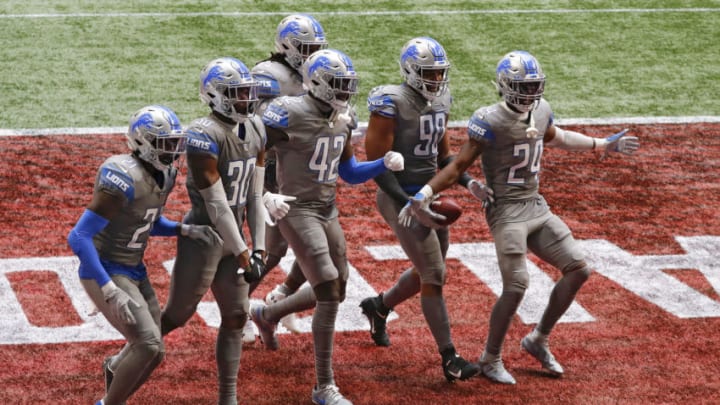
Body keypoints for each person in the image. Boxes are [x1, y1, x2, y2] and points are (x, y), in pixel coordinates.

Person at [408, 50, 640, 384]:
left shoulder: (541, 110)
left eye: (533, 86)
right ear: (504, 86)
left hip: (535, 205)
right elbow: (458, 165)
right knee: (517, 285)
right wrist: (426, 192)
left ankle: (538, 338)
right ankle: (490, 357)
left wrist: (601, 145)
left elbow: (555, 136)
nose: (529, 94)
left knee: (578, 270)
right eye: (522, 86)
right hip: (506, 211)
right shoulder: (488, 119)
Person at [252, 48, 404, 405]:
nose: (344, 92)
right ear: (317, 83)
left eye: (347, 84)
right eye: (338, 84)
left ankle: (266, 313)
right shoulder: (287, 111)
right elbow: (250, 151)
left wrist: (382, 163)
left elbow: (348, 173)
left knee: (338, 288)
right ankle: (323, 387)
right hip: (294, 207)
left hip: (327, 207)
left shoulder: (342, 117)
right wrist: (263, 195)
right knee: (326, 290)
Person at [67, 105, 220, 405]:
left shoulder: (165, 173)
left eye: (176, 143)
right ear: (142, 143)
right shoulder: (121, 177)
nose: (173, 151)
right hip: (106, 269)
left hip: (133, 268)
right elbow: (79, 236)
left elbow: (146, 221)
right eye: (165, 144)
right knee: (148, 344)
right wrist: (108, 290)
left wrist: (183, 230)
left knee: (156, 350)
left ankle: (114, 369)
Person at [358, 36, 481, 383]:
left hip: (430, 193)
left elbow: (443, 157)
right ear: (410, 72)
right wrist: (408, 202)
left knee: (431, 268)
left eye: (440, 73)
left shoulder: (440, 99)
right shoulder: (390, 103)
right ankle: (449, 357)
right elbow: (376, 165)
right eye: (429, 73)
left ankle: (379, 306)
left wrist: (469, 182)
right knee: (433, 275)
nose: (437, 80)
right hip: (399, 196)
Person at [160, 57, 273, 404]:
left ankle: (228, 397)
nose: (246, 100)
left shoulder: (256, 127)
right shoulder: (202, 135)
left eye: (246, 92)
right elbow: (217, 205)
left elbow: (255, 194)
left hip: (233, 232)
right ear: (215, 96)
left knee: (237, 315)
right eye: (237, 94)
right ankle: (124, 359)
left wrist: (260, 247)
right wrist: (243, 250)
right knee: (177, 316)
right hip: (205, 236)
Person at [244, 13, 330, 339]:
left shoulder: (315, 72)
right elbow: (256, 130)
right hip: (270, 172)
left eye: (315, 47)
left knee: (317, 240)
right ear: (287, 46)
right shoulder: (269, 75)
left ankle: (280, 297)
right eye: (305, 47)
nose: (311, 54)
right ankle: (236, 308)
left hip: (301, 169)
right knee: (272, 249)